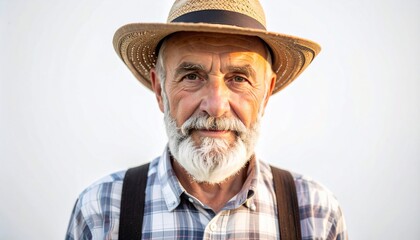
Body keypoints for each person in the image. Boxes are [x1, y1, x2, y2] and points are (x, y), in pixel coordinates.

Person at [66, 0, 347, 239]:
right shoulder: (102, 211)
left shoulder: (314, 213)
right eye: (192, 76)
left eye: (239, 78)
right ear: (160, 90)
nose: (215, 107)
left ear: (266, 93)